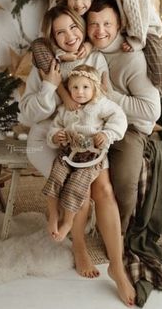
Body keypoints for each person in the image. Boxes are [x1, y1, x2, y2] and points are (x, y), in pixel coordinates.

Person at [19, 6, 136, 306]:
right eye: (60, 32)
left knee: (105, 191)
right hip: (58, 137)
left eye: (73, 27)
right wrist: (50, 83)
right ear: (52, 37)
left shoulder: (94, 56)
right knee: (81, 189)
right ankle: (80, 247)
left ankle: (118, 267)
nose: (69, 36)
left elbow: (105, 102)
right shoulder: (46, 64)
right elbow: (31, 113)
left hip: (91, 137)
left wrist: (103, 132)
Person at [86, 0, 161, 236]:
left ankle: (119, 234)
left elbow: (151, 110)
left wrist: (110, 96)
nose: (100, 31)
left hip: (130, 128)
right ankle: (80, 222)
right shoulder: (87, 49)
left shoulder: (132, 58)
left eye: (107, 24)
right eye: (94, 24)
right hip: (95, 121)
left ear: (118, 25)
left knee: (124, 182)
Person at [43, 64, 127, 242]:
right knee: (55, 178)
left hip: (91, 157)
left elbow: (119, 118)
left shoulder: (100, 104)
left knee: (76, 186)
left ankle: (68, 222)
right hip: (68, 154)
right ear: (69, 89)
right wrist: (55, 136)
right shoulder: (65, 109)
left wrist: (107, 134)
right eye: (75, 87)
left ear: (94, 88)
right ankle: (53, 215)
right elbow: (55, 126)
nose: (80, 92)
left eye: (85, 87)